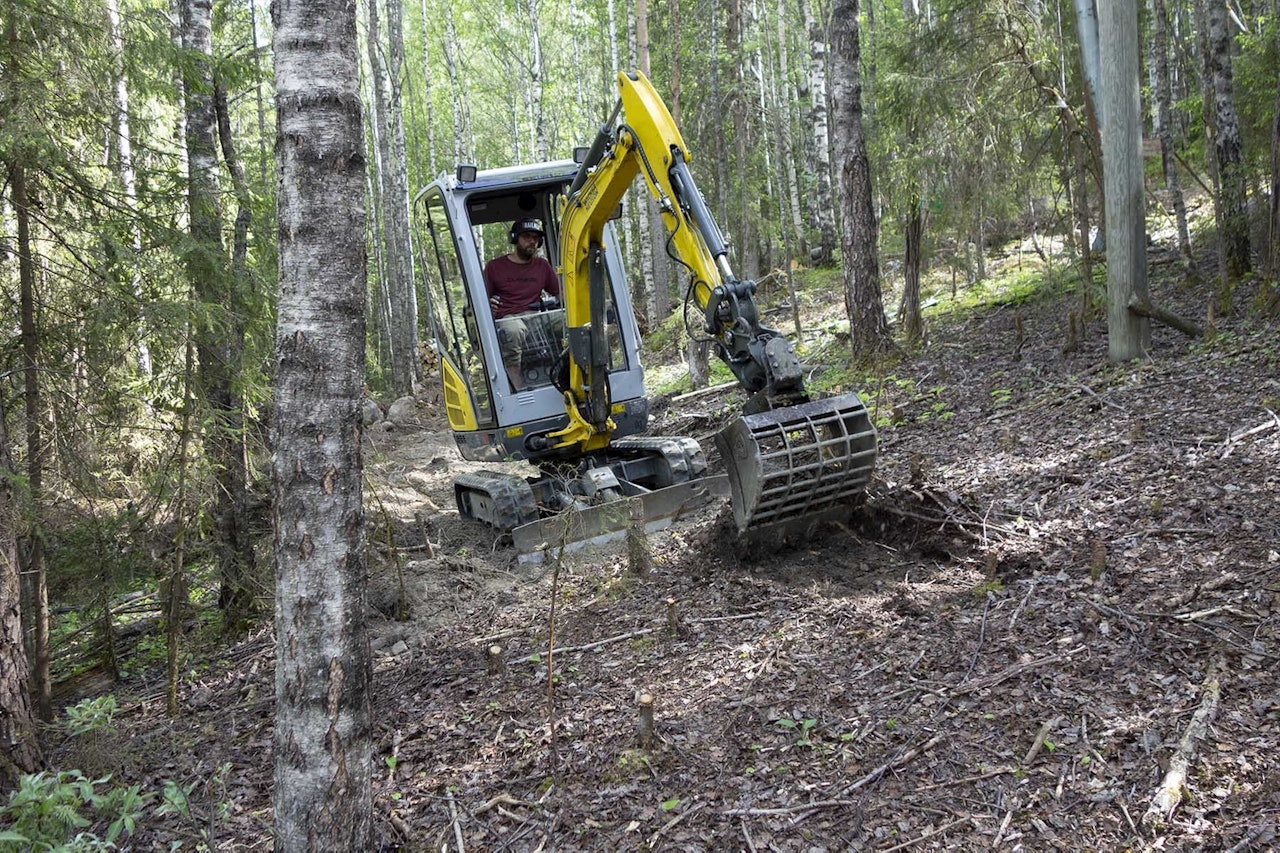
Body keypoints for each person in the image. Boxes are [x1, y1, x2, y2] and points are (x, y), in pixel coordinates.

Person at [484, 218, 561, 390]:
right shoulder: (495, 267)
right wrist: (489, 304)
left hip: (537, 315)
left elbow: (559, 293)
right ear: (514, 239)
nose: (532, 241)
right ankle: (516, 390)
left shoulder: (542, 265)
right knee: (513, 331)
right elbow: (481, 299)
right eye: (526, 237)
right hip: (509, 317)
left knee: (569, 320)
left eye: (535, 238)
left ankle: (572, 376)